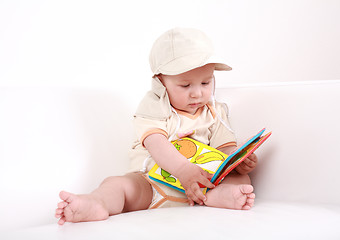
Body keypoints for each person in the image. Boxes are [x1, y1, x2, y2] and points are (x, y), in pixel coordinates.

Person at [55, 28, 257, 225]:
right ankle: (97, 203)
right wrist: (183, 170)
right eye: (185, 86)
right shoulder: (155, 107)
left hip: (200, 185)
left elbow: (224, 147)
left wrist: (237, 160)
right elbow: (156, 143)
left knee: (242, 180)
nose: (197, 93)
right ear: (161, 82)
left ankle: (214, 197)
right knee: (117, 185)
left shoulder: (214, 112)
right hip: (151, 184)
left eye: (205, 83)